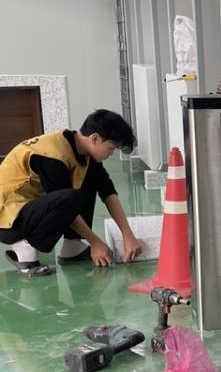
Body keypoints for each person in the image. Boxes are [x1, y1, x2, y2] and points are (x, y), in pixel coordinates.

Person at [0, 109, 143, 277]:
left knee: (86, 181)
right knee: (70, 198)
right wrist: (95, 243)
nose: (111, 154)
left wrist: (128, 235)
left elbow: (108, 192)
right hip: (8, 219)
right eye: (111, 148)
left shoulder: (84, 151)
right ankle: (24, 248)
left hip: (26, 208)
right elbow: (65, 204)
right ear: (95, 138)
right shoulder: (53, 155)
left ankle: (72, 245)